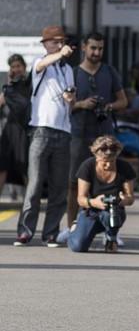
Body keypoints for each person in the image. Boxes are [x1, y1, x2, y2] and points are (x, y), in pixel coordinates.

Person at [62, 32, 127, 243]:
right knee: (74, 182)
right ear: (83, 47)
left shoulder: (109, 72)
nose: (97, 52)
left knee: (110, 183)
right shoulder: (72, 73)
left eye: (100, 48)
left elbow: (123, 101)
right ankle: (72, 227)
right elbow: (65, 105)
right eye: (93, 48)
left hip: (104, 136)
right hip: (79, 134)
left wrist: (108, 106)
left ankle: (112, 232)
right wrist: (81, 104)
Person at [15, 25, 76, 247]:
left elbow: (72, 98)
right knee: (35, 183)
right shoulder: (40, 63)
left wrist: (72, 100)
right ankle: (25, 231)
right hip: (40, 130)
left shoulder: (68, 70)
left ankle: (50, 232)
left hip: (64, 131)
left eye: (62, 42)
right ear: (46, 44)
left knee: (59, 186)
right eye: (55, 42)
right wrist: (58, 54)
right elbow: (41, 65)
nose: (59, 45)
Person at [68, 135, 136, 253]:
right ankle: (75, 229)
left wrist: (125, 199)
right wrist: (94, 202)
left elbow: (131, 198)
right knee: (78, 247)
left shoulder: (124, 167)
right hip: (91, 211)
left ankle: (111, 238)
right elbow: (80, 199)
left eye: (112, 161)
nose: (108, 165)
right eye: (105, 162)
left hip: (114, 212)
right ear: (96, 157)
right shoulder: (87, 166)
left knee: (109, 214)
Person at [0, 54, 30, 199]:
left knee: (25, 167)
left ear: (24, 67)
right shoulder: (9, 86)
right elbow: (1, 101)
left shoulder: (30, 84)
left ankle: (30, 202)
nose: (16, 69)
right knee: (2, 165)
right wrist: (10, 81)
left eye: (18, 66)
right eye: (13, 67)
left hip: (23, 130)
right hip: (9, 130)